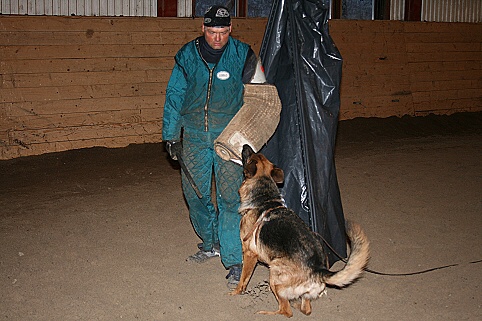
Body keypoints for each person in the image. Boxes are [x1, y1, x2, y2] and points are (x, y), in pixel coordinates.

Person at [162, 5, 259, 288]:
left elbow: (260, 96)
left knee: (230, 200)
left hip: (229, 138)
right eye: (212, 32)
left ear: (231, 29)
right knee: (195, 194)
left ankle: (234, 260)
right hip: (192, 135)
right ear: (203, 29)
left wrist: (251, 134)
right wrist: (170, 134)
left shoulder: (244, 55)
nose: (218, 38)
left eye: (223, 32)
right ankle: (210, 243)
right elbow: (175, 94)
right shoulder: (186, 56)